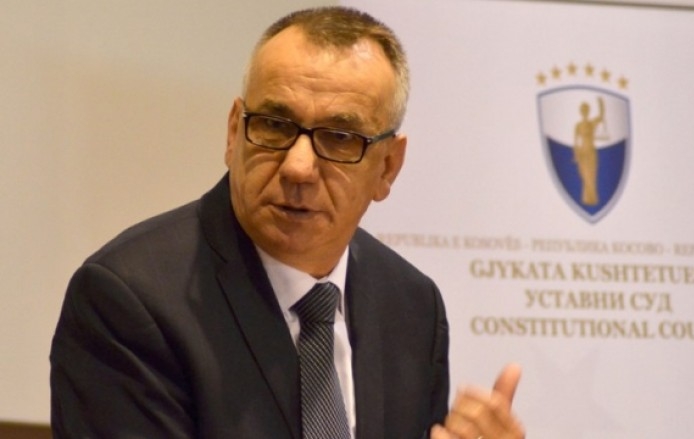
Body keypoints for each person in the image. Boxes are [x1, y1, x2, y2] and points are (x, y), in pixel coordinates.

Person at [50, 6, 525, 439]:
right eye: (274, 125)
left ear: (387, 167)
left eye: (339, 138)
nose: (298, 167)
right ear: (234, 132)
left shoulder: (412, 307)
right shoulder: (129, 301)